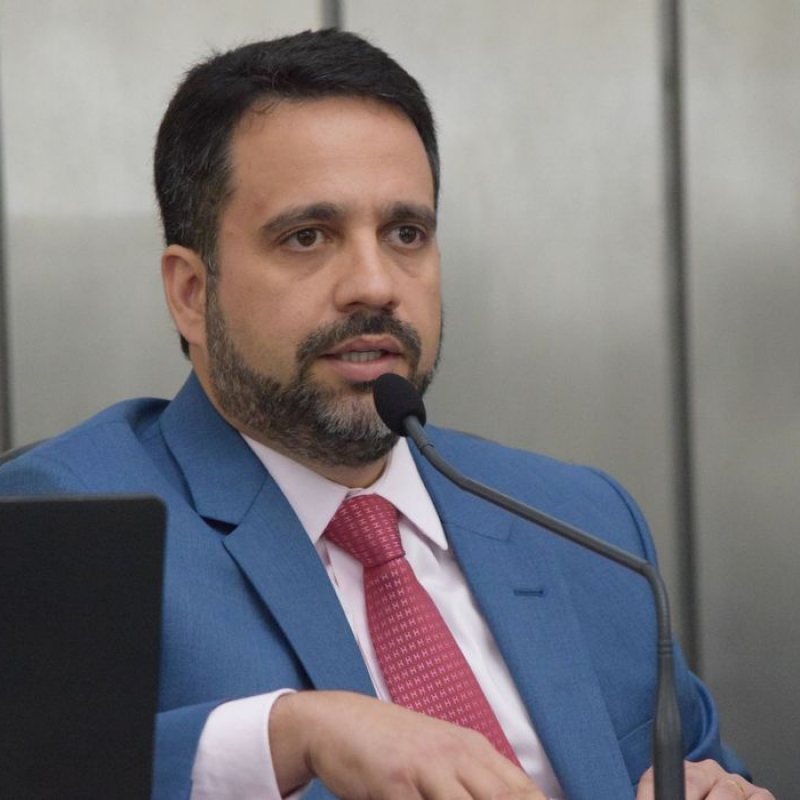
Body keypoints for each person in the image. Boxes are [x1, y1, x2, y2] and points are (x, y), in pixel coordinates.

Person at [0, 29, 774, 800]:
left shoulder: (583, 522)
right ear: (191, 293)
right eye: (308, 237)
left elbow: (701, 763)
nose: (374, 284)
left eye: (406, 233)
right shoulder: (71, 517)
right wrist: (291, 736)